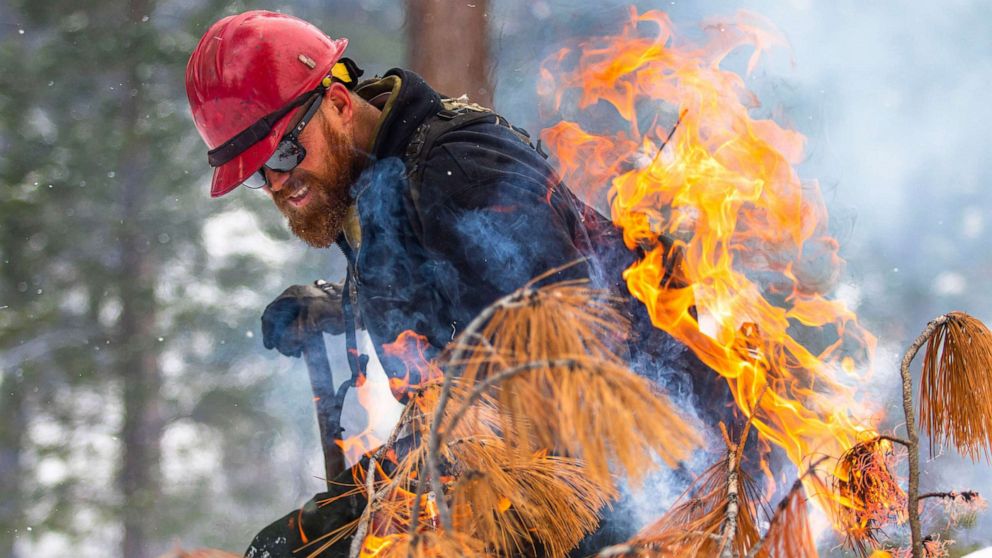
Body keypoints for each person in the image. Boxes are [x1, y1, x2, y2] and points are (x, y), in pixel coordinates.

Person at [186, 10, 719, 558]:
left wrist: (362, 512)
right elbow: (448, 307)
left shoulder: (461, 177)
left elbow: (540, 394)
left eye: (283, 153)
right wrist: (339, 303)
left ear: (340, 104)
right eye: (257, 173)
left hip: (641, 486)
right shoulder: (372, 173)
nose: (276, 182)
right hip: (523, 480)